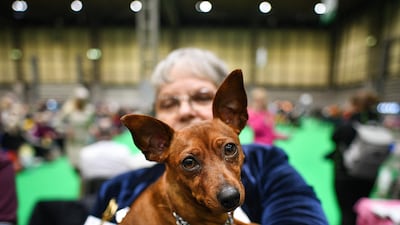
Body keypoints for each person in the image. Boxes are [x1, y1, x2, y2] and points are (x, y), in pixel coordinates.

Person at [87, 48, 328, 224]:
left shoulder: (268, 166)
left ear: (231, 114)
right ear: (155, 142)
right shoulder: (117, 188)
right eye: (170, 102)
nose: (185, 110)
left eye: (201, 97)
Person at [327, 89, 381, 225]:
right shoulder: (378, 123)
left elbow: (334, 137)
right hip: (370, 175)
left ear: (355, 105)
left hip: (346, 175)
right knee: (361, 210)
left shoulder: (348, 124)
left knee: (347, 212)